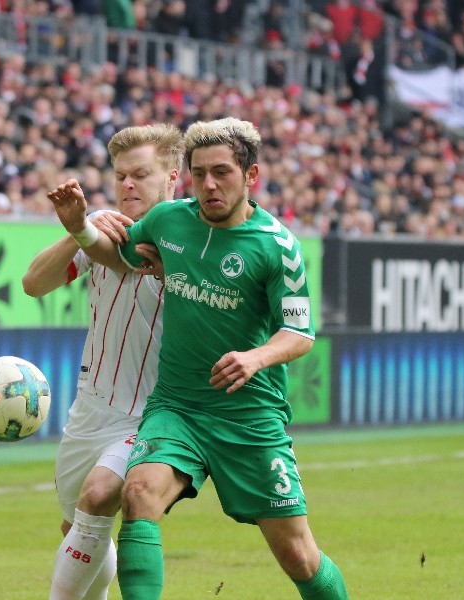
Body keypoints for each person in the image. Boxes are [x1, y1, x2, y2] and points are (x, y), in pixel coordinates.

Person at [48, 117, 349, 599]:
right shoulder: (169, 220)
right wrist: (80, 230)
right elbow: (118, 256)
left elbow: (299, 332)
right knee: (138, 493)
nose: (209, 184)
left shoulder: (278, 247)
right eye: (199, 172)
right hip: (177, 408)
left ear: (251, 176)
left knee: (298, 556)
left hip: (247, 415)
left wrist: (256, 358)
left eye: (222, 172)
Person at [23, 123, 184, 600]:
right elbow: (34, 283)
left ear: (172, 177)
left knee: (98, 498)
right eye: (120, 176)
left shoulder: (189, 240)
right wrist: (78, 235)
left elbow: (124, 259)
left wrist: (84, 230)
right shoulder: (107, 229)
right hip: (90, 410)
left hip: (150, 413)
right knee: (77, 526)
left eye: (141, 174)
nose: (128, 185)